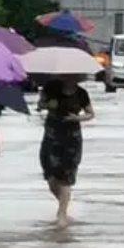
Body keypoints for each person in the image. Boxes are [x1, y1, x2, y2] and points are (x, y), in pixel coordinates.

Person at [38, 76, 94, 228]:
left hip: (72, 137)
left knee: (66, 175)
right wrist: (47, 104)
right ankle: (64, 204)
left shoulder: (81, 93)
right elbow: (40, 105)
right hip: (52, 135)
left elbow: (90, 113)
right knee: (50, 176)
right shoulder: (51, 87)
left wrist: (78, 118)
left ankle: (62, 213)